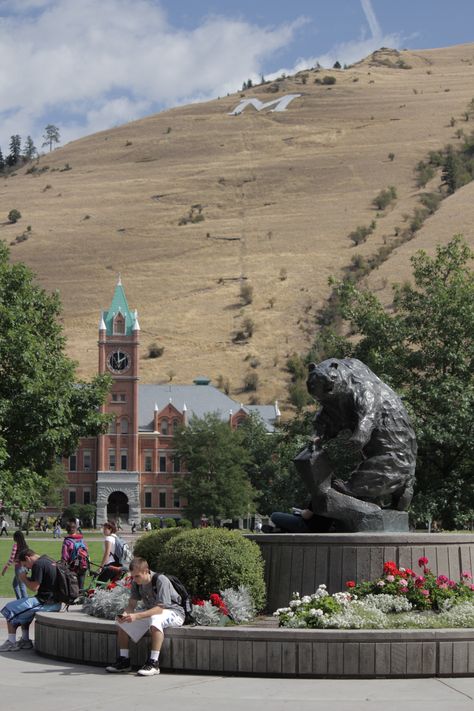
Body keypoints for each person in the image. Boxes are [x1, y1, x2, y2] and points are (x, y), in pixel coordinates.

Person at [105, 556, 184, 676]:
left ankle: (154, 663)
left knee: (155, 619)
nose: (135, 579)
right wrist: (125, 615)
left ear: (146, 571)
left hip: (174, 612)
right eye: (133, 576)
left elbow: (160, 609)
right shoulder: (136, 583)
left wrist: (137, 616)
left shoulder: (161, 580)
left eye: (137, 576)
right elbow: (131, 604)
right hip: (153, 612)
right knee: (123, 623)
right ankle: (124, 661)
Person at [0, 548, 61, 651]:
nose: (26, 567)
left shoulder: (38, 565)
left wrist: (23, 578)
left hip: (46, 602)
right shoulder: (47, 559)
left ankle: (11, 642)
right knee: (25, 612)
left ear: (28, 558)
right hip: (54, 601)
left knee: (9, 608)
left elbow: (34, 587)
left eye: (24, 564)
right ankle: (25, 640)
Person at [269, 501, 334, 533]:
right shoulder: (334, 498)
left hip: (308, 527)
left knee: (274, 515)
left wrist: (301, 512)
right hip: (323, 529)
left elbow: (306, 516)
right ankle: (281, 529)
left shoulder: (319, 496)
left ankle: (280, 529)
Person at [61, 520, 89, 590]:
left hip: (72, 566)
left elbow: (65, 556)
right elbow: (86, 550)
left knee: (72, 586)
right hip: (83, 564)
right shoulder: (81, 539)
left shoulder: (67, 541)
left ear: (67, 530)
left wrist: (62, 564)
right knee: (81, 586)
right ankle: (82, 598)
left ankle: (74, 599)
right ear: (76, 529)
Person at [1, 530, 28, 599]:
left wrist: (4, 569)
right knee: (15, 584)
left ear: (16, 538)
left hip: (19, 568)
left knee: (22, 585)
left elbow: (11, 558)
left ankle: (25, 603)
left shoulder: (16, 545)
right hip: (25, 568)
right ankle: (19, 600)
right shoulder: (25, 546)